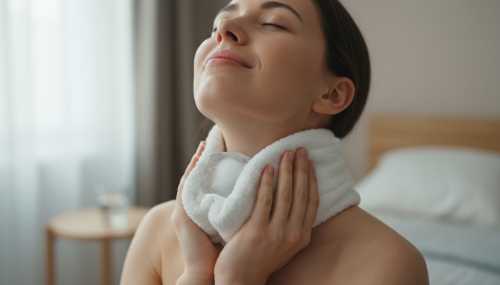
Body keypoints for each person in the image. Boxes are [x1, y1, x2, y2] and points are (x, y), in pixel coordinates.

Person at [121, 0, 429, 284]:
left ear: (332, 94)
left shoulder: (388, 264)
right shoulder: (158, 230)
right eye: (217, 25)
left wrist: (237, 277)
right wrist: (199, 274)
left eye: (273, 23)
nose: (224, 30)